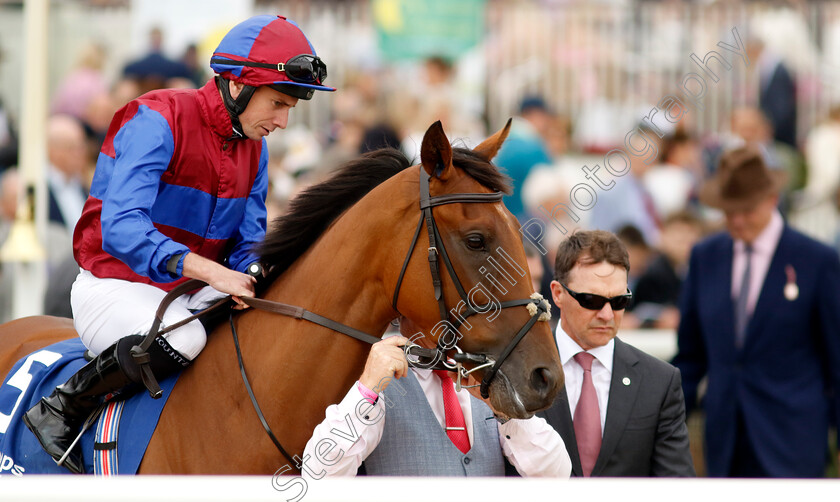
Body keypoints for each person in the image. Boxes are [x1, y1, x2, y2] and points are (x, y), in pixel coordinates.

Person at [23, 15, 335, 474]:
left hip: (185, 294)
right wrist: (211, 272)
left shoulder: (256, 148)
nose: (283, 121)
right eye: (277, 103)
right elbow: (122, 226)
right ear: (237, 85)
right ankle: (62, 406)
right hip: (114, 285)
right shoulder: (156, 117)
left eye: (290, 108)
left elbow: (249, 240)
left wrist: (254, 272)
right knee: (186, 338)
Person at [673, 146, 840, 478]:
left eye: (746, 209)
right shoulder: (706, 257)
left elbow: (837, 359)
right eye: (728, 210)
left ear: (771, 199)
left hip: (793, 442)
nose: (736, 220)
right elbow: (691, 357)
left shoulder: (816, 261)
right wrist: (658, 423)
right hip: (725, 441)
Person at [299, 318, 572, 478]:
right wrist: (367, 390)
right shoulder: (378, 381)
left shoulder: (483, 373)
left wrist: (502, 409)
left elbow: (556, 474)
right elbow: (319, 473)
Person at [540, 229, 695, 477]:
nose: (607, 314)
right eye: (591, 300)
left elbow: (675, 482)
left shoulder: (659, 382)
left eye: (620, 301)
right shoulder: (516, 370)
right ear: (558, 294)